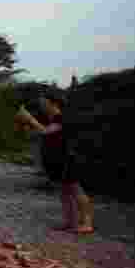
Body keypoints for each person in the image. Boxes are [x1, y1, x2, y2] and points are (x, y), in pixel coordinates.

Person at [20, 94, 95, 234]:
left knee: (76, 190)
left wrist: (30, 119)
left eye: (44, 102)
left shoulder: (62, 117)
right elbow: (40, 134)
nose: (41, 105)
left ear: (53, 103)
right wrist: (27, 126)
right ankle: (70, 222)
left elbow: (46, 132)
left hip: (68, 159)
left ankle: (87, 223)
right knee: (64, 192)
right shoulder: (51, 119)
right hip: (59, 161)